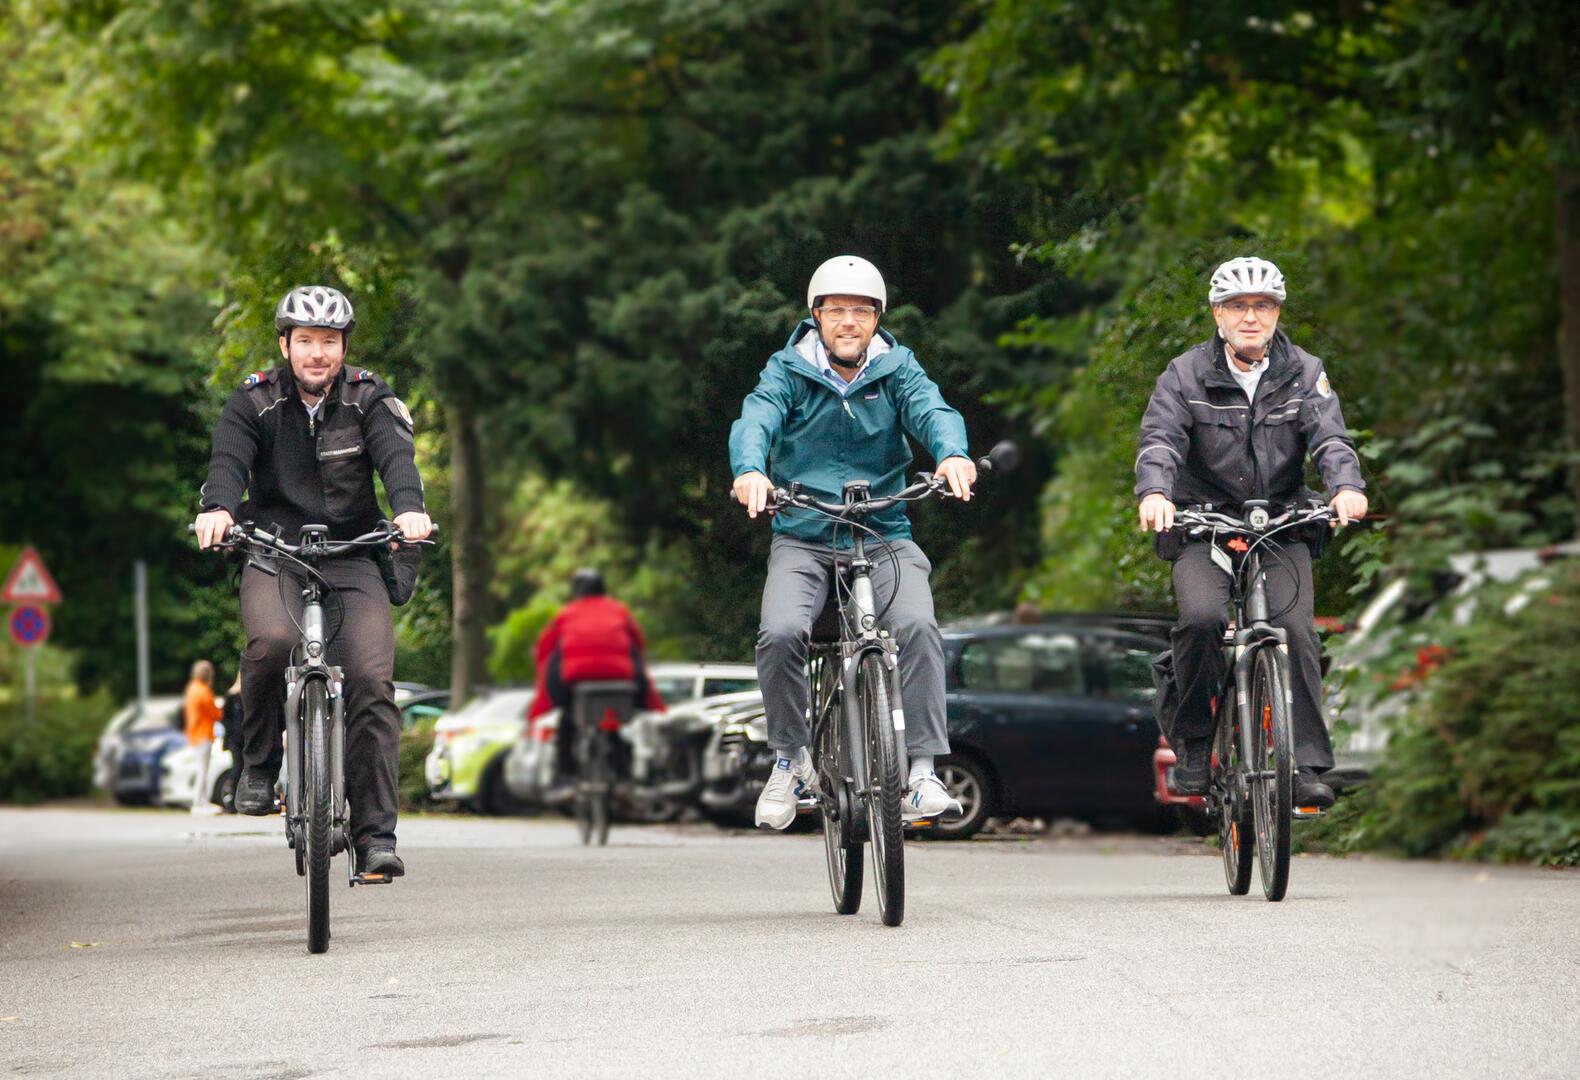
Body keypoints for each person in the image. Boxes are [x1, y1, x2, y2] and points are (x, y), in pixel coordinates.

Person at [728, 255, 977, 830]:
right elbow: (756, 418)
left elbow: (932, 410)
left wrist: (953, 453)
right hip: (804, 534)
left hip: (884, 530)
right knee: (781, 632)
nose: (848, 321)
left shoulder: (898, 369)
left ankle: (920, 772)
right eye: (836, 310)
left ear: (876, 319)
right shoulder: (787, 371)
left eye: (860, 311)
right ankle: (791, 762)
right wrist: (750, 468)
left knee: (917, 625)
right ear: (816, 317)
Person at [192, 285, 433, 879]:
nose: (318, 353)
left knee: (373, 682)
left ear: (343, 346)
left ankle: (376, 837)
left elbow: (398, 461)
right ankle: (257, 765)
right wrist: (219, 508)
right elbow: (227, 461)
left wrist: (409, 509)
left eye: (329, 341)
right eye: (306, 341)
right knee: (271, 644)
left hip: (353, 553)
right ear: (286, 345)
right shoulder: (255, 401)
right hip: (274, 550)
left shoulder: (370, 398)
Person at [1135, 257, 1368, 810]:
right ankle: (1193, 744)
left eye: (1261, 306)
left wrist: (1345, 486)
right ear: (1218, 315)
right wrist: (1156, 494)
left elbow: (1330, 439)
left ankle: (1307, 763)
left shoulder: (1305, 371)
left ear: (1276, 313)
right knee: (1201, 620)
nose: (1250, 317)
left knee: (1296, 630)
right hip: (1202, 523)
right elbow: (1160, 440)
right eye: (1238, 306)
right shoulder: (1184, 374)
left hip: (1281, 522)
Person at [528, 568, 666, 800]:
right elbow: (637, 642)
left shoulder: (566, 614)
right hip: (619, 680)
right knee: (613, 727)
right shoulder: (619, 611)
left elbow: (545, 647)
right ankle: (623, 777)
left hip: (578, 682)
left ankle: (564, 777)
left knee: (567, 725)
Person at [183, 660, 223, 816]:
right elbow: (214, 712)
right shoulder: (203, 690)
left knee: (202, 769)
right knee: (202, 770)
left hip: (195, 734)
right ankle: (198, 803)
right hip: (203, 734)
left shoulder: (192, 688)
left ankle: (203, 801)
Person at [219, 671, 244, 813]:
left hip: (245, 738)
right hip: (235, 739)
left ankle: (239, 800)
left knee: (242, 768)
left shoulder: (247, 696)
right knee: (237, 768)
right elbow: (225, 719)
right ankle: (232, 800)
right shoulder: (232, 696)